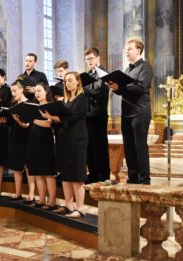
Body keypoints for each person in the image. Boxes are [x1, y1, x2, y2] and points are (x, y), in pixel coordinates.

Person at [40, 72, 89, 217]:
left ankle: (80, 208)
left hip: (77, 140)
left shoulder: (82, 98)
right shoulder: (66, 101)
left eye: (70, 81)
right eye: (66, 81)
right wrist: (53, 118)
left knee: (77, 175)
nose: (67, 83)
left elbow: (72, 118)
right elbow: (61, 120)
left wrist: (51, 116)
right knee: (66, 174)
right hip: (64, 140)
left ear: (78, 82)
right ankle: (68, 205)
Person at [108, 38, 153, 185]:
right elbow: (124, 91)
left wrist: (120, 88)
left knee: (140, 146)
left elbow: (140, 87)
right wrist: (115, 87)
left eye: (129, 49)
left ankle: (144, 179)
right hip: (126, 113)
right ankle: (132, 177)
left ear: (138, 51)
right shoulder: (128, 69)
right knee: (129, 147)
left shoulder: (145, 68)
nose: (126, 52)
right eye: (126, 49)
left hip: (140, 111)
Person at [28, 83, 57, 209]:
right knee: (37, 172)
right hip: (34, 140)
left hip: (45, 141)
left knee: (48, 172)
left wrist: (34, 120)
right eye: (36, 91)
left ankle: (52, 201)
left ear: (46, 92)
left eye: (40, 91)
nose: (37, 93)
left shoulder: (50, 106)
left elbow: (49, 124)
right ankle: (42, 199)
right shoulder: (34, 107)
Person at [84, 47, 110, 183]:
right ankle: (93, 173)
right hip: (87, 114)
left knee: (100, 145)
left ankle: (104, 175)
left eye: (91, 59)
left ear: (98, 57)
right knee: (89, 146)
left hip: (99, 114)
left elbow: (100, 92)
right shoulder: (88, 74)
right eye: (87, 59)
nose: (89, 61)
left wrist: (84, 89)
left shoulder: (104, 73)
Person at [6, 80, 30, 200]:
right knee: (16, 166)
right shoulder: (13, 105)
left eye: (15, 91)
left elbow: (28, 124)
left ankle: (31, 194)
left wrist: (18, 120)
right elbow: (9, 122)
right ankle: (18, 192)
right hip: (15, 136)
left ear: (21, 89)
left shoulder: (29, 104)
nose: (13, 93)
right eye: (11, 91)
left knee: (27, 166)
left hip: (26, 137)